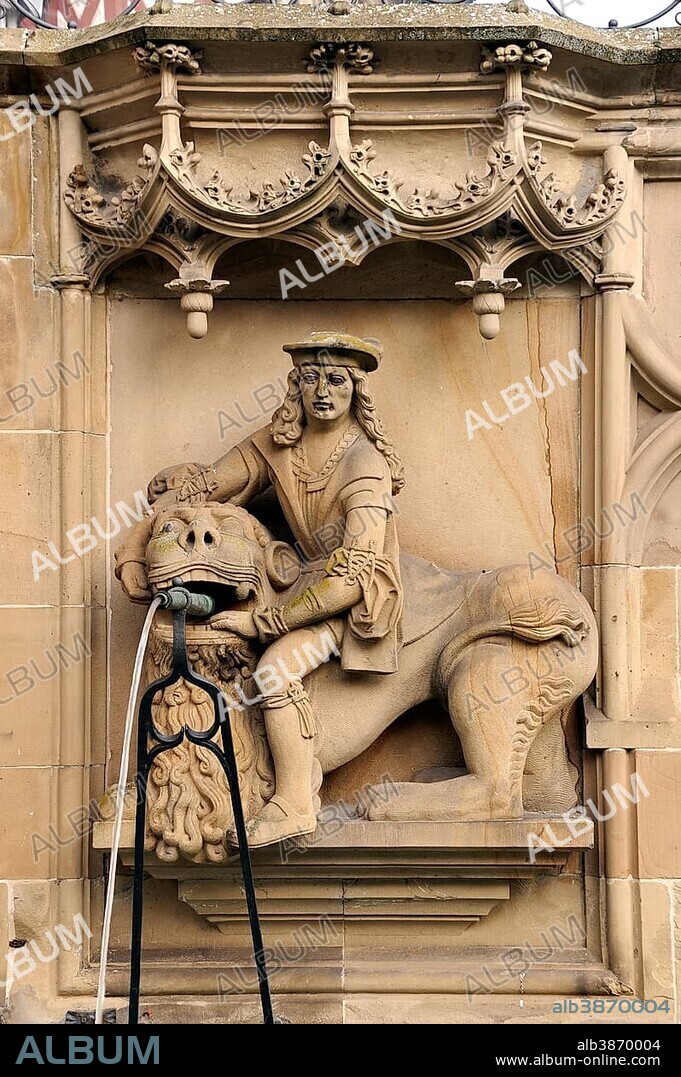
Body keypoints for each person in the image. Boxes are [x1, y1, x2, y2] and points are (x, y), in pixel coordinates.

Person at [116, 332, 405, 846]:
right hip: (300, 577)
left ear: (355, 391)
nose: (322, 391)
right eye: (311, 378)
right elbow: (203, 487)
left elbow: (354, 576)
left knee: (275, 668)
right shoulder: (279, 440)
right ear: (296, 385)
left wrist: (264, 622)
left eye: (336, 380)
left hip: (351, 601)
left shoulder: (365, 465)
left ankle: (294, 802)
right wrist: (134, 548)